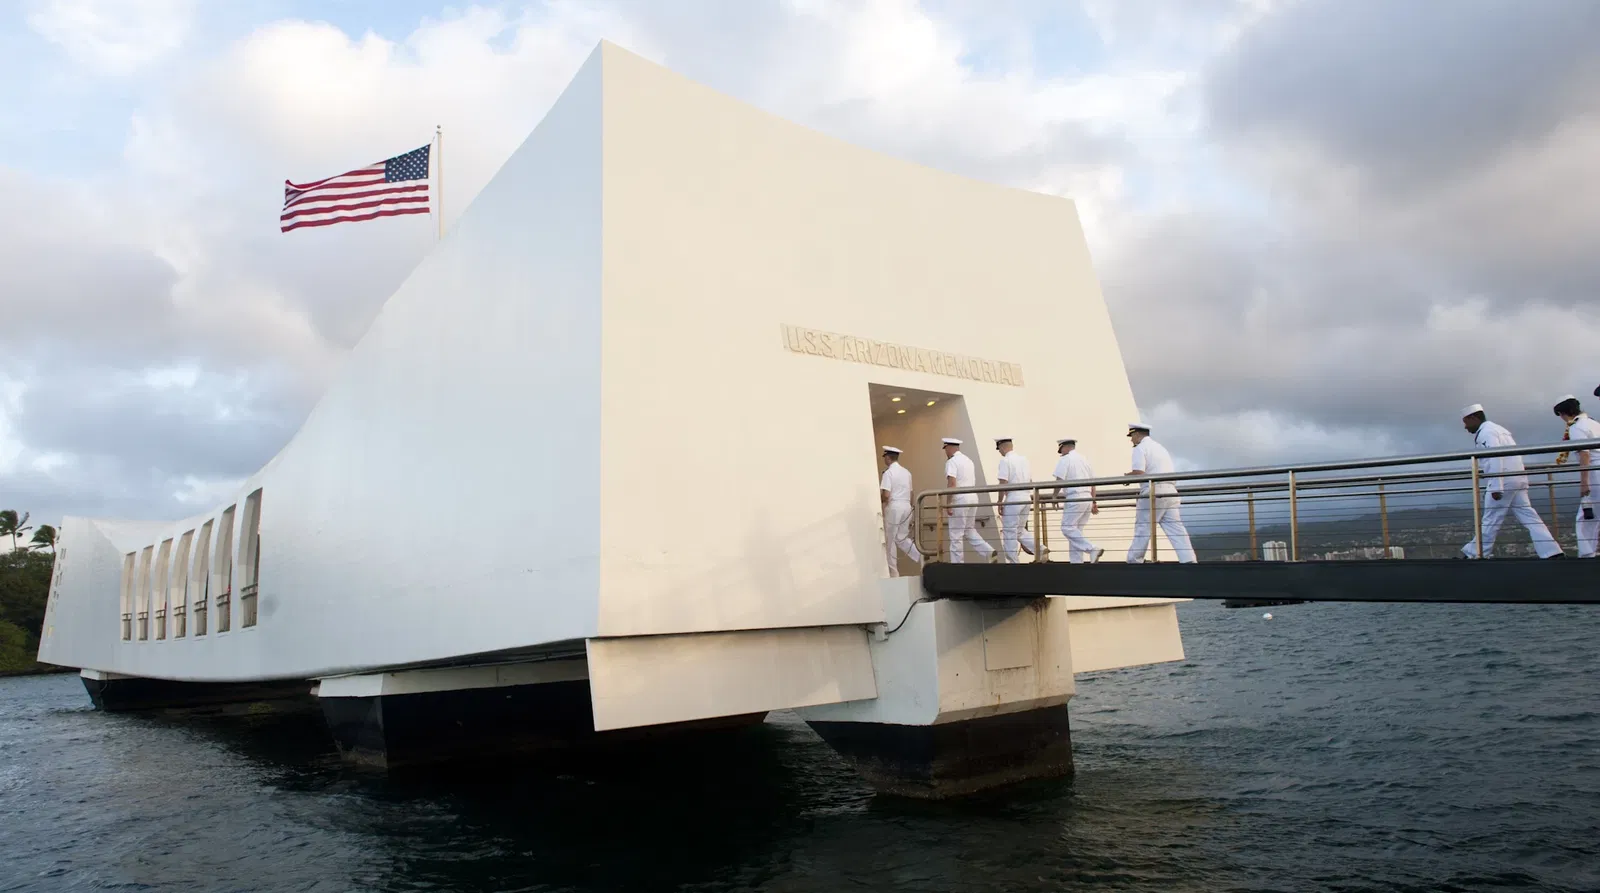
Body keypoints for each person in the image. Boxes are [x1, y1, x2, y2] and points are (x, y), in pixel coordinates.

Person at [1458, 404, 1562, 559]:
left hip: (1503, 480)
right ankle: (1552, 551)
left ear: (1473, 418)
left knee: (1491, 518)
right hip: (1516, 478)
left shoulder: (1487, 433)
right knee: (1529, 516)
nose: (1465, 427)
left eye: (1466, 422)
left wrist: (1496, 487)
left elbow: (1495, 458)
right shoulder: (1499, 430)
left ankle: (1475, 553)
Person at [1123, 423, 1196, 563]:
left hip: (1154, 491)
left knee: (1143, 526)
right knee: (1176, 528)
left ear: (1137, 434)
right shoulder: (1160, 448)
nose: (1131, 440)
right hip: (1171, 491)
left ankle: (1134, 560)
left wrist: (1127, 477)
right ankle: (1189, 560)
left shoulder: (1140, 448)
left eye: (1131, 436)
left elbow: (1139, 472)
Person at [1554, 395, 1600, 557]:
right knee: (1590, 518)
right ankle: (1587, 554)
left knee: (1586, 519)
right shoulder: (1593, 423)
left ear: (1563, 413)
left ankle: (1587, 555)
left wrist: (1584, 484)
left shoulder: (1576, 427)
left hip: (1595, 475)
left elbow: (1584, 455)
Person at [941, 437, 995, 563]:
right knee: (969, 530)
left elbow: (952, 483)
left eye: (945, 449)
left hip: (959, 498)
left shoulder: (952, 462)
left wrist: (949, 503)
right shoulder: (968, 460)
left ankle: (957, 565)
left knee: (956, 534)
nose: (945, 452)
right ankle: (988, 551)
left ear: (949, 447)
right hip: (972, 497)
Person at [1051, 438, 1103, 563]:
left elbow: (1059, 480)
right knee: (1076, 531)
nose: (1061, 452)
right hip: (1087, 498)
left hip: (1075, 497)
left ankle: (1092, 549)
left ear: (1064, 447)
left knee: (1067, 528)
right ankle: (1076, 562)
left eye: (1061, 450)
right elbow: (1093, 482)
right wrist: (1094, 502)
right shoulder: (1084, 459)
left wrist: (1054, 496)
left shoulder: (1065, 459)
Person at [879, 446, 922, 576]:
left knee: (890, 540)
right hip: (906, 506)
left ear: (887, 458)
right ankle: (921, 557)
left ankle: (894, 573)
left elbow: (886, 495)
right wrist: (911, 510)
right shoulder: (907, 472)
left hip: (894, 507)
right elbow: (912, 493)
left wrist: (879, 502)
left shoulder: (889, 473)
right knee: (902, 538)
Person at [994, 438, 1037, 563]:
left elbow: (1003, 482)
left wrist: (1000, 501)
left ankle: (1013, 562)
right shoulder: (1024, 460)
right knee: (1019, 530)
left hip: (1013, 498)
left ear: (1002, 447)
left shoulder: (1005, 461)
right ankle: (1040, 549)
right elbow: (1030, 481)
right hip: (1026, 497)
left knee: (1009, 531)